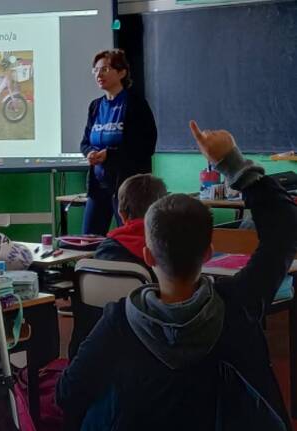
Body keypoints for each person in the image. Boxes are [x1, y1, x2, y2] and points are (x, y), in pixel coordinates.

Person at [57, 121, 297, 430]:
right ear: (209, 252)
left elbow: (68, 395)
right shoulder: (240, 304)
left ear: (147, 254)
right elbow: (285, 228)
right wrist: (232, 162)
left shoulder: (119, 322)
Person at [68, 174, 167, 359]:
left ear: (120, 213)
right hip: (147, 355)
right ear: (164, 211)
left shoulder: (103, 252)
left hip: (95, 355)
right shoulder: (166, 252)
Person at [81, 49, 157, 235]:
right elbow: (85, 142)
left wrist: (110, 155)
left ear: (122, 72)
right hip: (99, 187)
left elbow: (146, 146)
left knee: (132, 240)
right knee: (88, 240)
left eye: (105, 69)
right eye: (96, 70)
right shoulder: (96, 106)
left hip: (128, 188)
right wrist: (90, 152)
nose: (99, 74)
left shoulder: (135, 104)